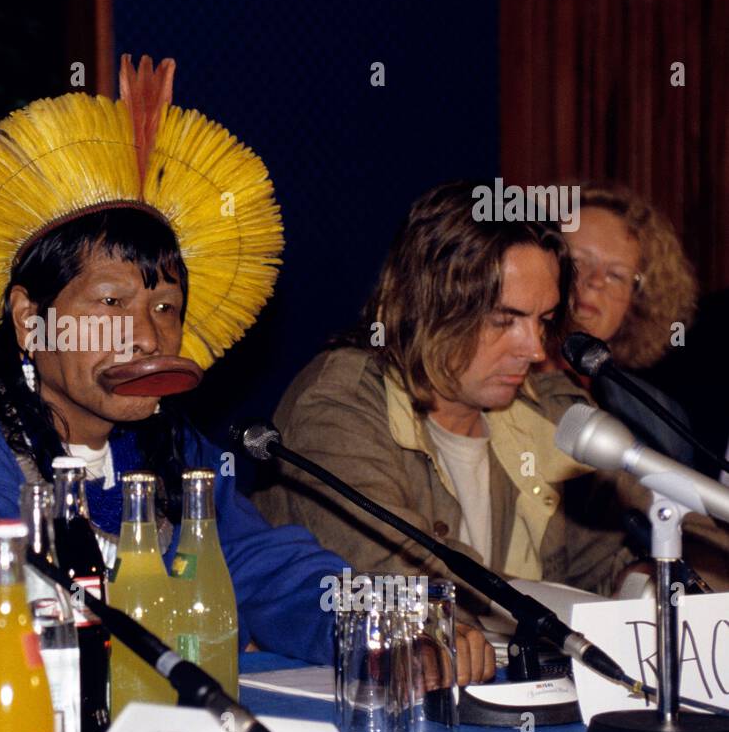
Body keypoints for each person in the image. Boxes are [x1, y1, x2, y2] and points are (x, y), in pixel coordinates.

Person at [0, 56, 493, 679]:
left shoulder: (176, 448)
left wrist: (382, 625)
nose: (146, 335)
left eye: (166, 307)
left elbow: (267, 566)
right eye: (111, 302)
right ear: (31, 320)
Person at [252, 181, 638, 624]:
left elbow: (604, 554)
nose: (535, 350)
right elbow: (400, 578)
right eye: (503, 320)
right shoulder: (337, 405)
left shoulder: (541, 411)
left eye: (544, 321)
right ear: (428, 306)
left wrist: (641, 577)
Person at [545, 182, 699, 465]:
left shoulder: (659, 419)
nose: (594, 281)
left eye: (616, 275)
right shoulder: (494, 387)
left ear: (636, 301)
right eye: (577, 261)